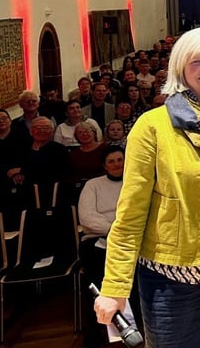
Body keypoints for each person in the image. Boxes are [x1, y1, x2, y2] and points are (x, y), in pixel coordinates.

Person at [95, 26, 200, 347]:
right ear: (180, 71)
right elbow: (130, 214)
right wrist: (115, 286)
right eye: (195, 62)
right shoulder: (153, 126)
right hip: (171, 277)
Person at [78, 146, 142, 348]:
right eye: (112, 161)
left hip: (133, 240)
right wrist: (118, 231)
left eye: (120, 160)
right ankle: (102, 334)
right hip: (99, 240)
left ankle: (139, 328)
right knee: (99, 274)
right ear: (104, 165)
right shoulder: (92, 185)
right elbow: (87, 218)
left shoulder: (137, 183)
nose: (117, 165)